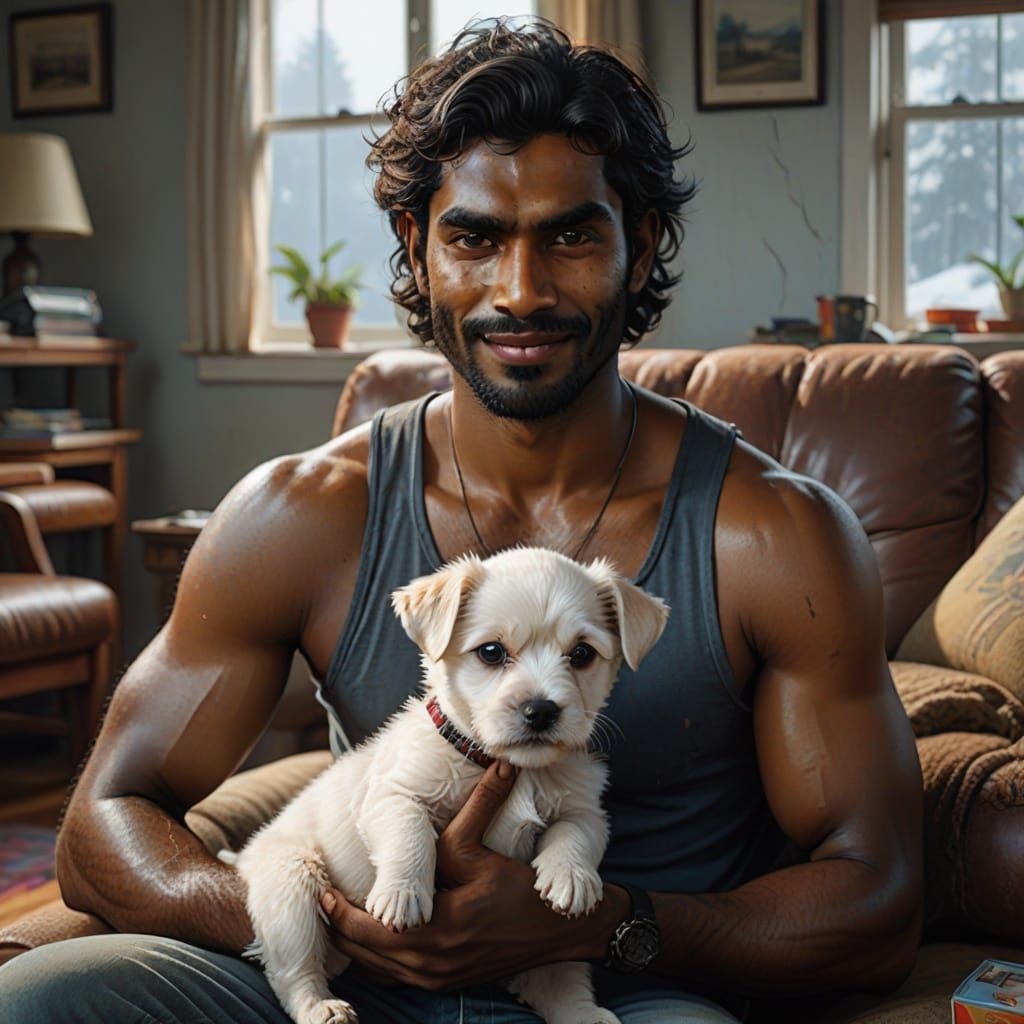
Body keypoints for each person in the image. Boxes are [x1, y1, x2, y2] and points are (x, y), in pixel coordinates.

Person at [0, 19, 923, 1024]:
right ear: (416, 245)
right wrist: (326, 920)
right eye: (474, 237)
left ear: (640, 242)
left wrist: (598, 923)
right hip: (356, 968)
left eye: (570, 234)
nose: (519, 290)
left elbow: (874, 901)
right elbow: (101, 824)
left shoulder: (772, 536)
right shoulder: (299, 516)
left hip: (622, 982)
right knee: (40, 997)